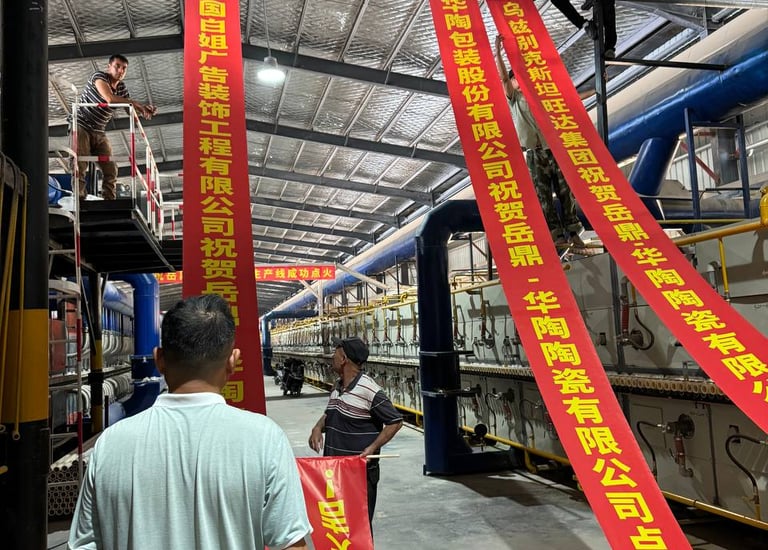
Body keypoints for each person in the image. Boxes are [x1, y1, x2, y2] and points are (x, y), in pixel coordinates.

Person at [68, 294, 312, 550]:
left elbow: (83, 545)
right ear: (232, 361)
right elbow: (291, 545)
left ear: (159, 359)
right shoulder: (264, 439)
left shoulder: (111, 444)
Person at [494, 35, 586, 247]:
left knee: (565, 190)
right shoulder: (514, 99)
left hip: (552, 148)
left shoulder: (540, 97)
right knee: (543, 195)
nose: (519, 81)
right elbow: (504, 79)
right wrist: (498, 53)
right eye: (516, 78)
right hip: (534, 153)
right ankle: (557, 233)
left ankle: (573, 230)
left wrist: (598, 89)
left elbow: (570, 101)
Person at [308, 336, 403, 529]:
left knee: (358, 528)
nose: (331, 357)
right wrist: (317, 427)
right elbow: (331, 413)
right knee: (338, 527)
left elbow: (395, 421)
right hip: (334, 471)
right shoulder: (337, 386)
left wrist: (372, 448)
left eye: (335, 353)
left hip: (358, 474)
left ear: (344, 359)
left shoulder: (369, 390)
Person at [74, 54, 156, 200]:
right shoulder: (99, 77)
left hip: (99, 131)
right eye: (117, 66)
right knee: (80, 163)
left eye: (124, 68)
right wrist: (135, 103)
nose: (120, 71)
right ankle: (79, 200)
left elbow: (130, 110)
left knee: (111, 168)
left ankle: (109, 201)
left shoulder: (122, 88)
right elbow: (109, 99)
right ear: (109, 67)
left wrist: (144, 110)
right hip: (81, 125)